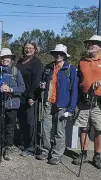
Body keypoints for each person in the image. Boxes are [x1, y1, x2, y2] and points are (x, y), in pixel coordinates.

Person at [36, 44, 77, 165]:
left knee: (59, 131)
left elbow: (74, 89)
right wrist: (42, 84)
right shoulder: (48, 67)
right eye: (56, 53)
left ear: (65, 55)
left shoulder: (71, 69)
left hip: (62, 105)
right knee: (45, 128)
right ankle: (45, 150)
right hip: (48, 102)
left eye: (61, 53)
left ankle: (56, 154)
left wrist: (71, 108)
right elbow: (43, 81)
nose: (58, 55)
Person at [0, 48, 25, 163]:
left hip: (12, 104)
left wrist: (10, 89)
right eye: (3, 57)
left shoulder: (16, 72)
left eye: (7, 57)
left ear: (11, 59)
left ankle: (8, 148)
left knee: (10, 128)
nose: (5, 59)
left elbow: (22, 88)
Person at [73, 35, 101, 168]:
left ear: (99, 46)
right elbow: (79, 80)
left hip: (98, 101)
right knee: (83, 128)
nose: (90, 46)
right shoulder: (82, 61)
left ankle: (97, 155)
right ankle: (83, 154)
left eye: (93, 44)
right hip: (84, 100)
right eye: (89, 44)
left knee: (98, 129)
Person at [16, 40, 44, 157]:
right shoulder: (20, 61)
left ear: (35, 49)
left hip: (30, 97)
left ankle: (31, 148)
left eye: (31, 48)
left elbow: (36, 81)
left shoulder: (37, 63)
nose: (28, 50)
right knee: (22, 121)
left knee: (30, 123)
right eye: (26, 48)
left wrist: (32, 96)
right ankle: (24, 143)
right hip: (20, 96)